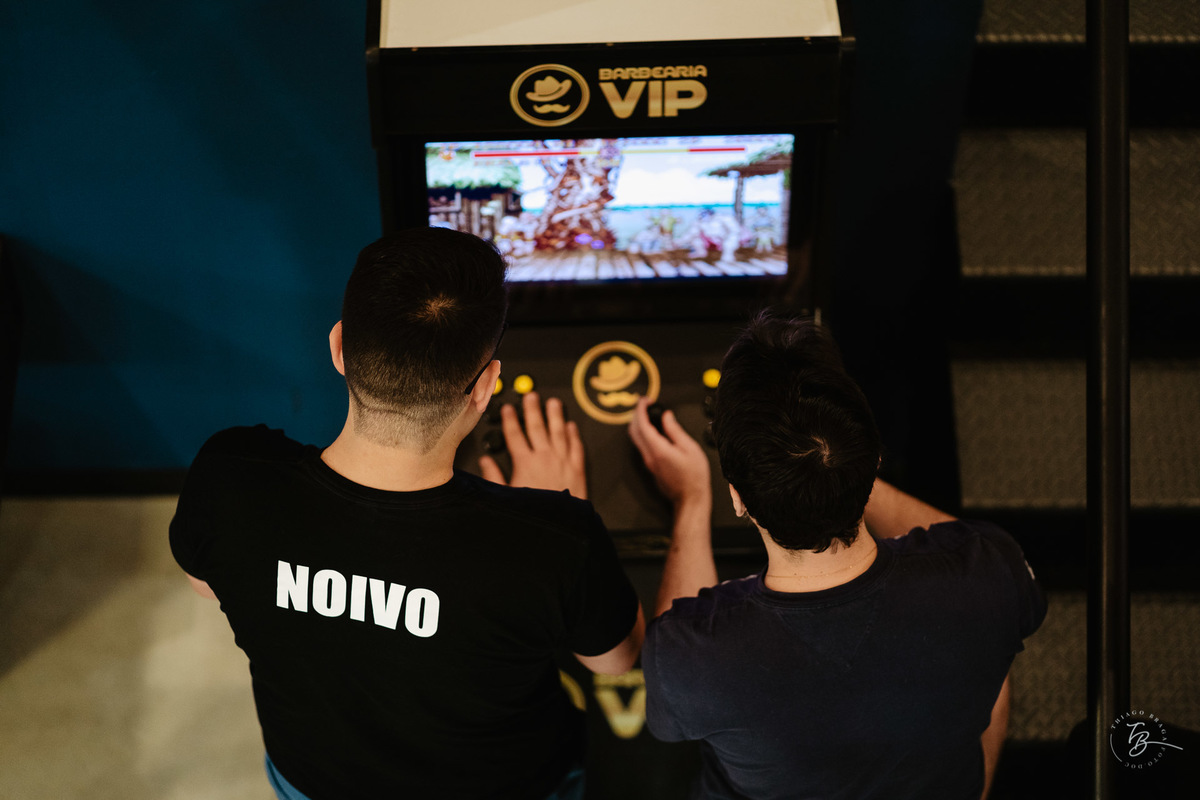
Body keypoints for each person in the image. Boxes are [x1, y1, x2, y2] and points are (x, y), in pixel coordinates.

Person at [169, 227, 644, 800]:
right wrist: (539, 512)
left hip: (312, 781)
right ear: (486, 385)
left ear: (339, 347)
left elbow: (207, 585)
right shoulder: (555, 542)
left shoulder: (229, 475)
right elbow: (618, 661)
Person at [627, 310, 1045, 800]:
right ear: (876, 462)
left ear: (737, 498)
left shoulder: (687, 659)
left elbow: (667, 698)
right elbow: (962, 540)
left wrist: (692, 499)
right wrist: (838, 465)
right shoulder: (989, 574)